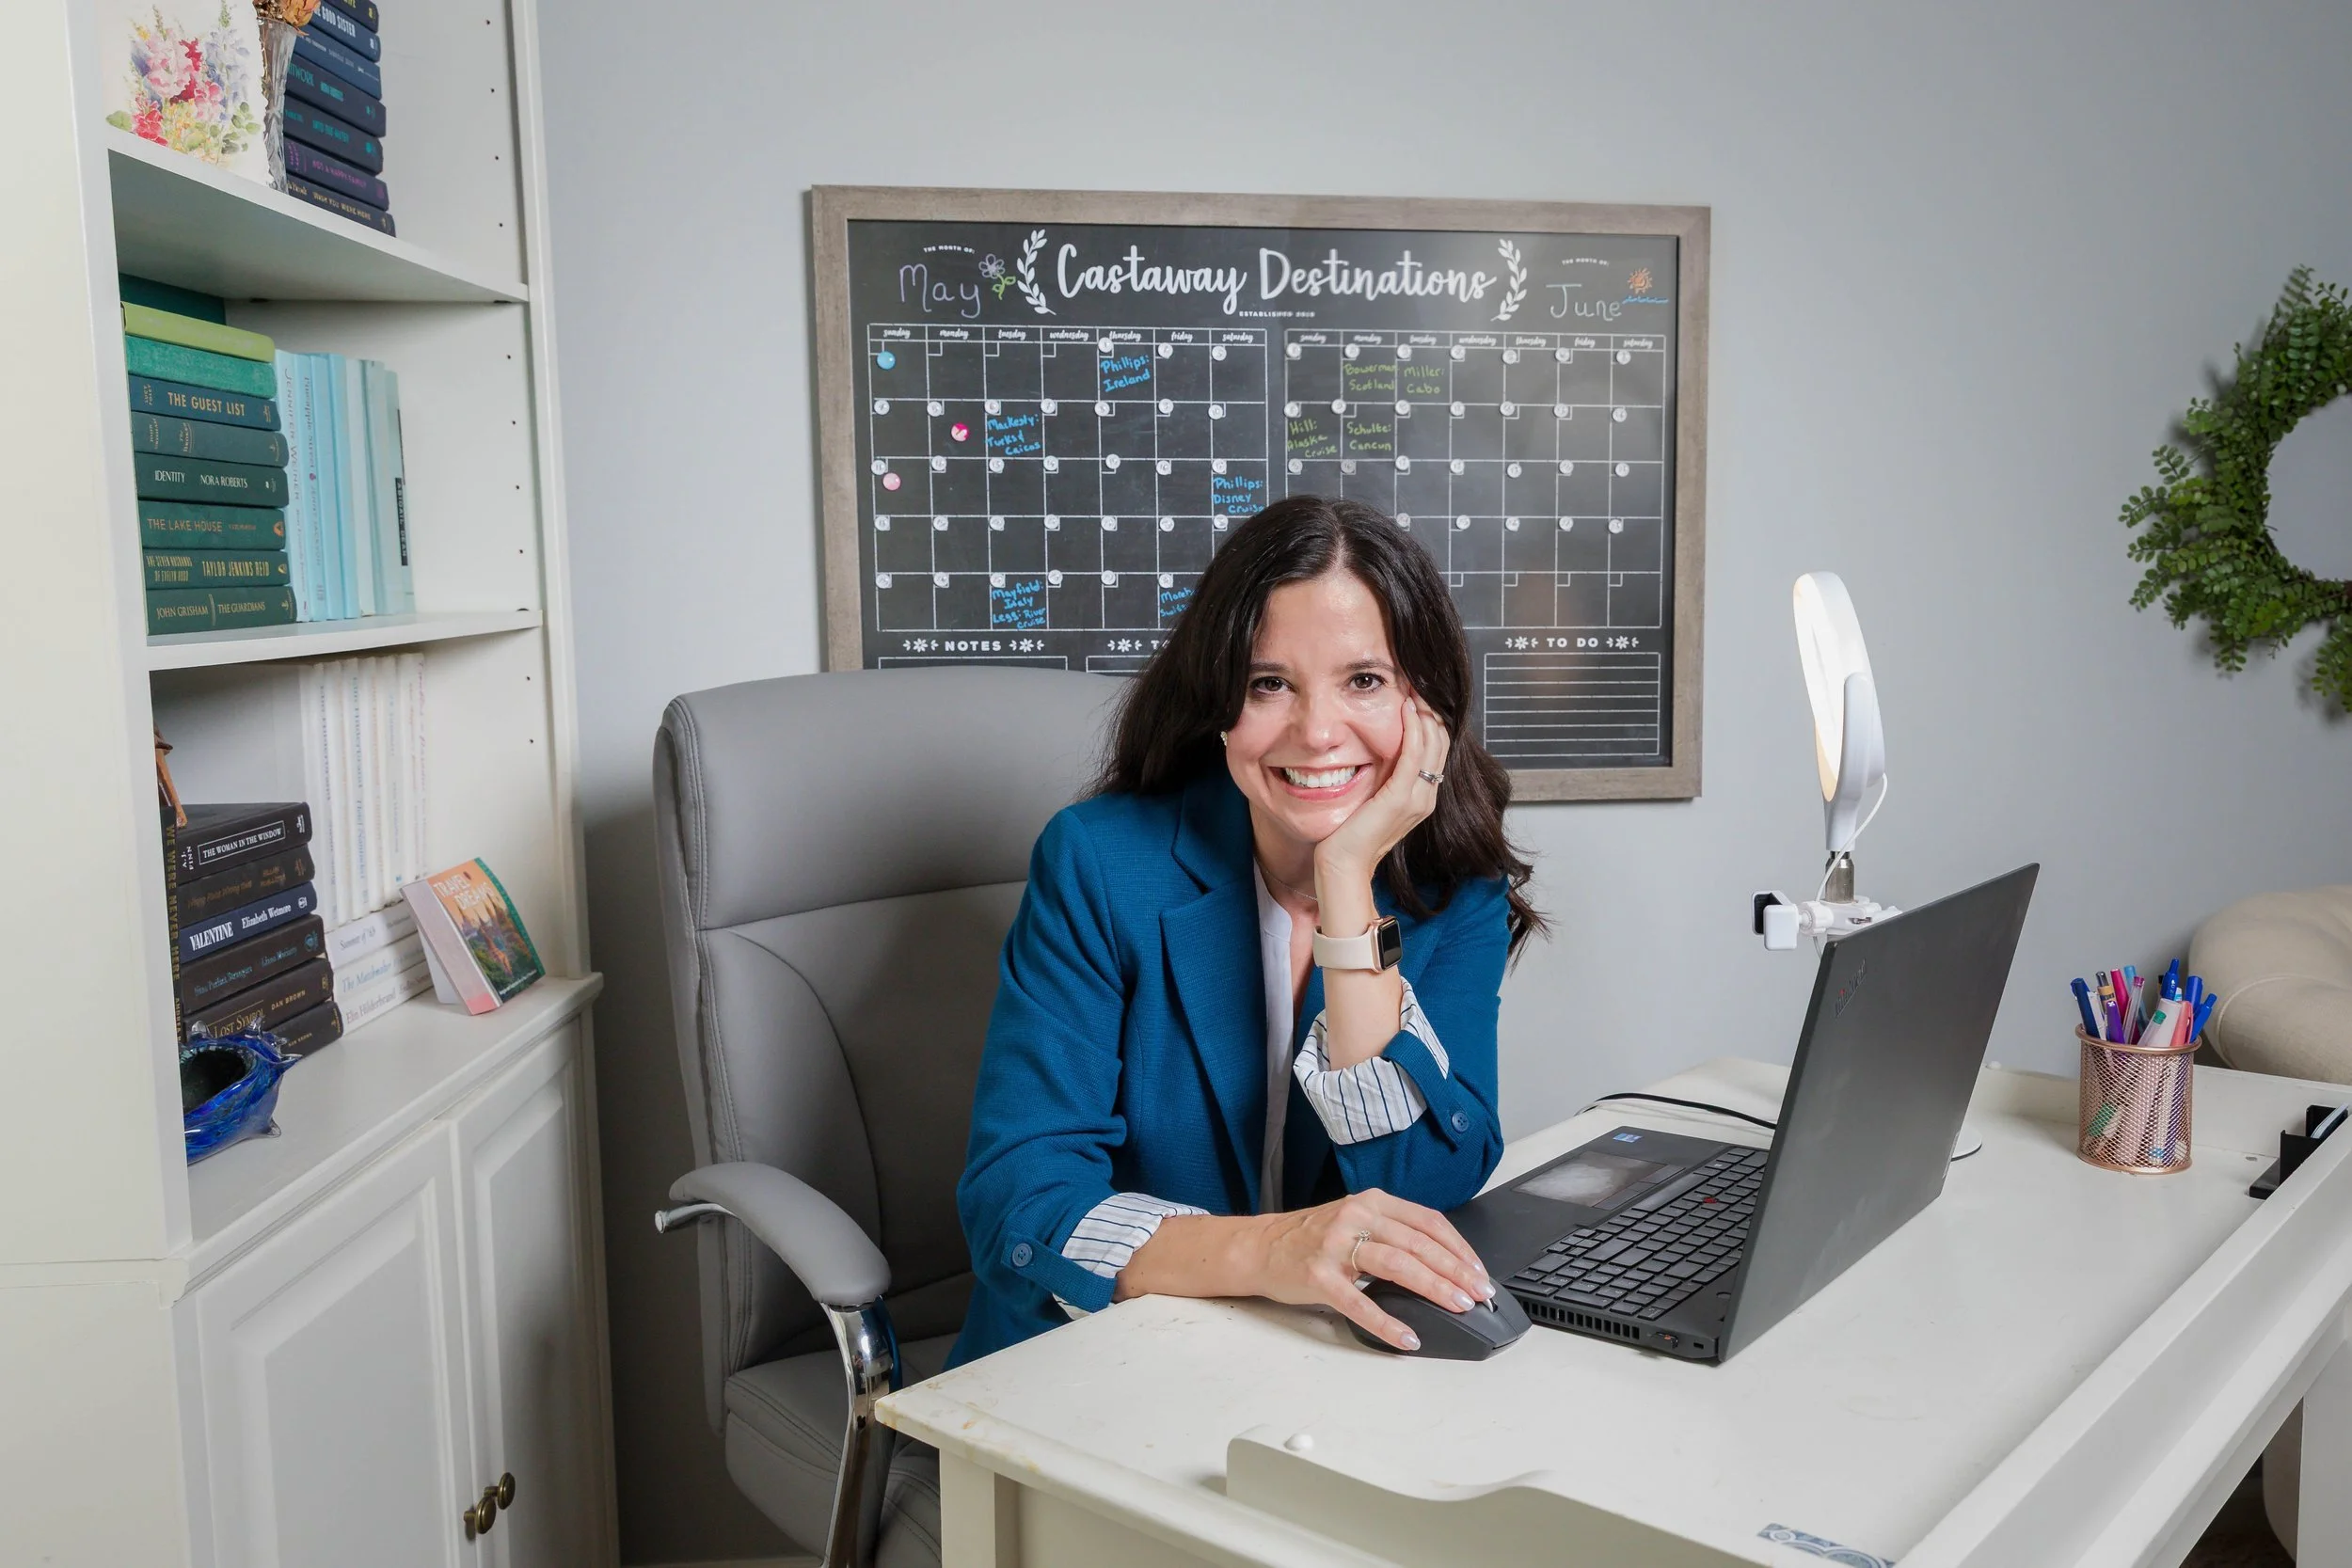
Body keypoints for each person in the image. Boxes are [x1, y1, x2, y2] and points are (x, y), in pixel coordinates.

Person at [952, 496, 1543, 1365]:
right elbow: (1018, 1202)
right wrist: (1270, 1252)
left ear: (1427, 708)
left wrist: (1347, 880)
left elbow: (1424, 1184)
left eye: (1364, 680)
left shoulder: (1458, 892)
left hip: (1324, 1372)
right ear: (1221, 699)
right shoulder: (1101, 863)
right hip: (1093, 1363)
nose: (1316, 732)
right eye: (1272, 683)